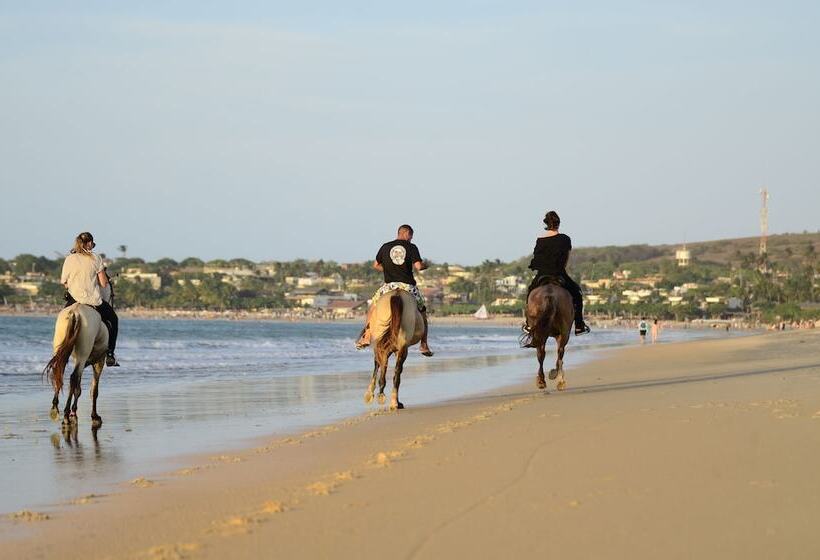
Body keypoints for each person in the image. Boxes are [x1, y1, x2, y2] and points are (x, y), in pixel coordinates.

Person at [355, 224, 433, 356]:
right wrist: (426, 265)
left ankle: (367, 336)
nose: (411, 239)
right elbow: (419, 267)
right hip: (407, 286)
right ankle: (424, 344)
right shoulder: (412, 247)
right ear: (406, 233)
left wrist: (390, 270)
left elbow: (376, 265)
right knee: (422, 310)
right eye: (411, 236)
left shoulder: (385, 246)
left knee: (373, 306)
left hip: (389, 286)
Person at [526, 211, 590, 335]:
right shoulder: (565, 239)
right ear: (558, 224)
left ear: (546, 224)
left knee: (529, 293)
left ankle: (528, 324)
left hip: (542, 274)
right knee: (577, 294)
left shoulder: (540, 239)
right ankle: (579, 325)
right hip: (559, 273)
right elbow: (566, 258)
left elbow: (537, 258)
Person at [61, 232, 119, 366]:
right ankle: (110, 354)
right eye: (92, 243)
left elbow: (64, 282)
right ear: (89, 243)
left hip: (74, 299)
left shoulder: (69, 259)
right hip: (92, 299)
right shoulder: (96, 258)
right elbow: (104, 283)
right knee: (114, 319)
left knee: (63, 318)